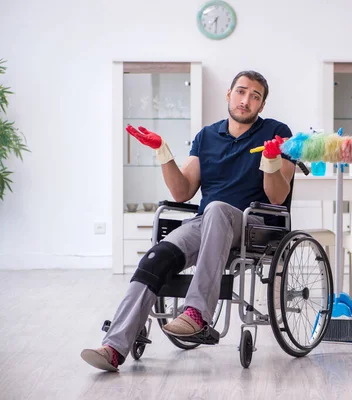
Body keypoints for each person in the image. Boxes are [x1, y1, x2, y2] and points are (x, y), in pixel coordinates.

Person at [81, 70, 296, 372]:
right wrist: (162, 152)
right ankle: (114, 348)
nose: (246, 100)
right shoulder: (206, 137)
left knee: (218, 209)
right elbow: (182, 192)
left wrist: (272, 160)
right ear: (229, 95)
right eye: (241, 91)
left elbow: (278, 197)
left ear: (261, 106)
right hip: (206, 222)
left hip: (253, 225)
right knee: (157, 257)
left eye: (255, 96)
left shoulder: (277, 133)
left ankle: (197, 313)